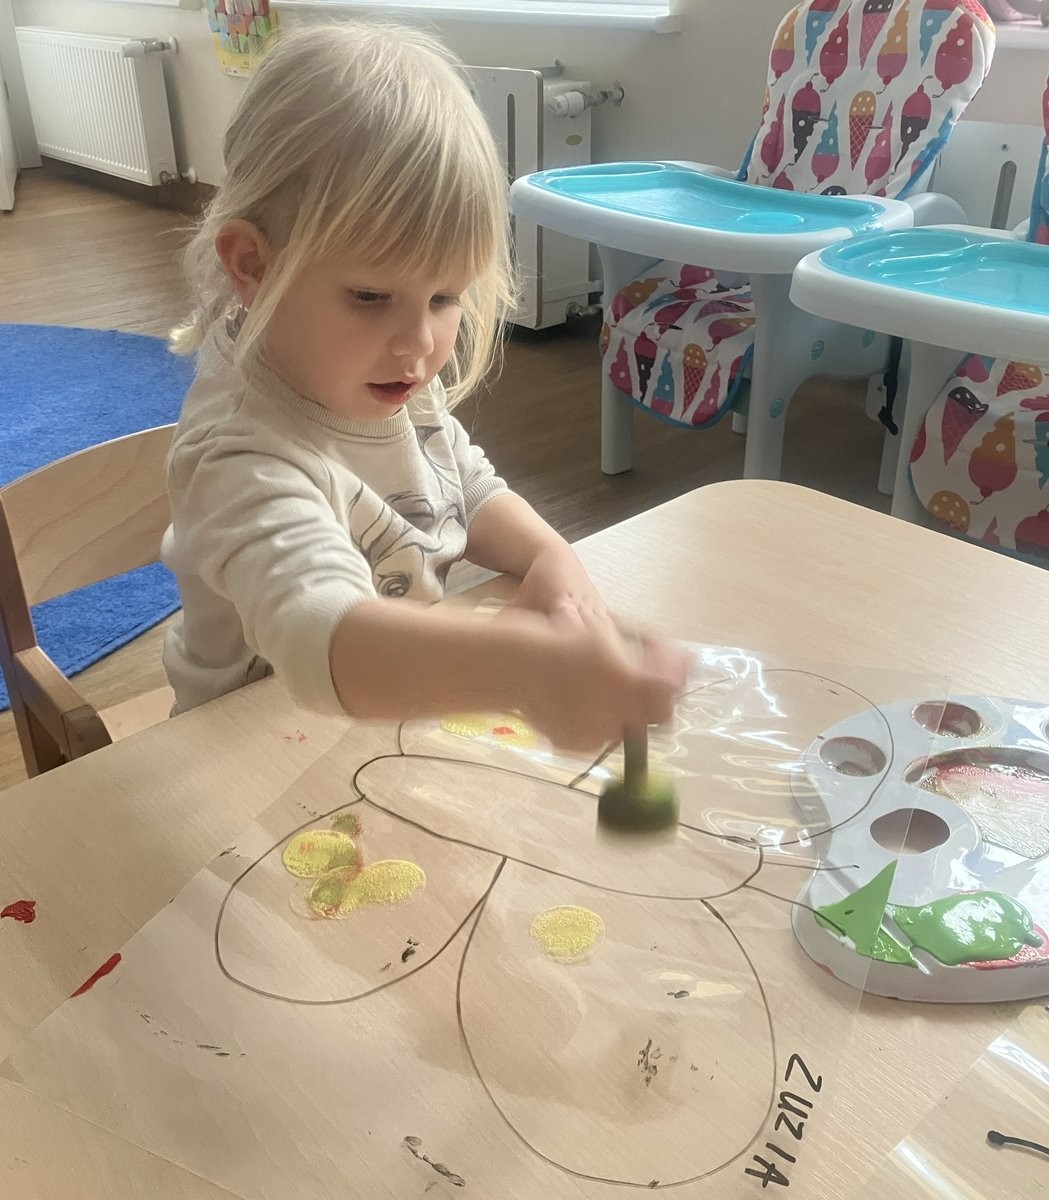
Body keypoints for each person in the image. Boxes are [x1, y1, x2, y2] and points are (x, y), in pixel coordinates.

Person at [163, 19, 686, 752]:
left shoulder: (376, 372)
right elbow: (319, 638)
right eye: (370, 296)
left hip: (377, 724)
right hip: (243, 748)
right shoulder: (239, 454)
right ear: (252, 264)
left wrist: (550, 557)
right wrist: (521, 673)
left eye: (445, 297)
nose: (418, 343)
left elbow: (462, 483)